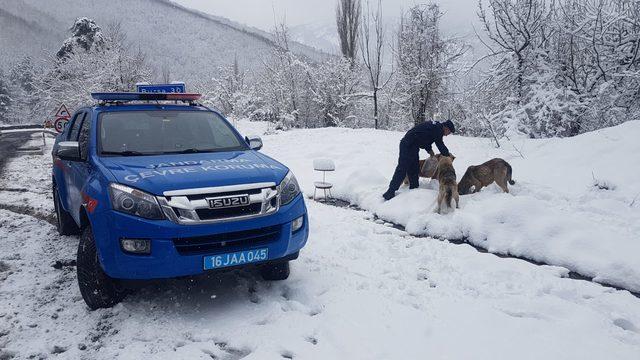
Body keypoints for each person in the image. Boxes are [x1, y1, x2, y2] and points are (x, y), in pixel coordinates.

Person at [382, 120, 456, 201]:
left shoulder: (435, 127)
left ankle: (414, 189)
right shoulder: (438, 129)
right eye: (448, 133)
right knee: (402, 168)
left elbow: (424, 138)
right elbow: (440, 144)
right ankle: (390, 192)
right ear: (446, 128)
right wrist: (448, 155)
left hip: (413, 145)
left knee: (414, 168)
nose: (446, 135)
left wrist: (429, 150)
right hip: (408, 144)